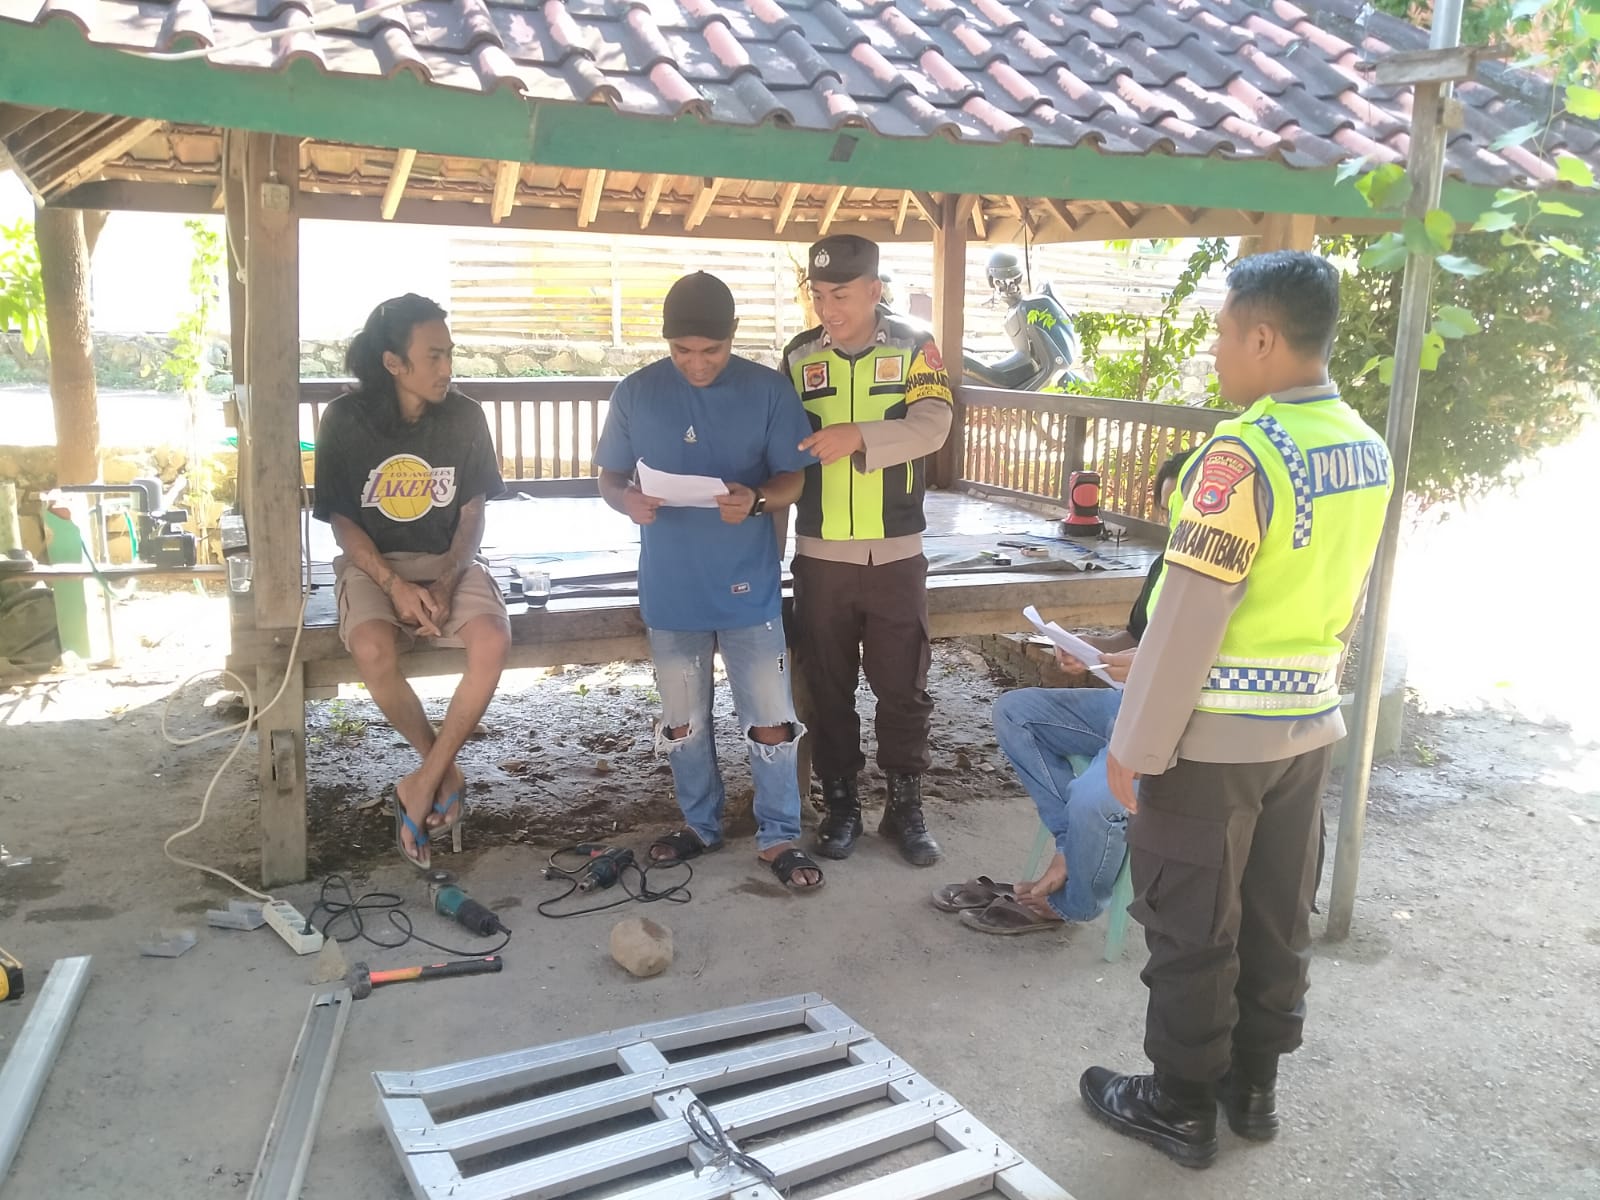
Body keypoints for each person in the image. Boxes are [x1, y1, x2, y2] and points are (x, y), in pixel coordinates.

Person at [1078, 251, 1393, 1168]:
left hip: (1212, 744)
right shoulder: (1364, 448)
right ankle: (1253, 1087)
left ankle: (1179, 1102)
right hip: (1307, 730)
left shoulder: (1242, 454)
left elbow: (1189, 613)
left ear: (1262, 338)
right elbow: (1343, 593)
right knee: (1274, 914)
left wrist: (1134, 742)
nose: (1214, 350)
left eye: (1221, 333)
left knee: (1190, 924)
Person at [594, 272, 824, 891]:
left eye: (711, 351)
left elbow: (793, 478)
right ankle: (700, 824)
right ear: (666, 341)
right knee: (682, 721)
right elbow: (609, 476)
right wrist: (626, 500)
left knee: (771, 717)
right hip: (671, 586)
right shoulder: (636, 392)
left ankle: (779, 835)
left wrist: (757, 500)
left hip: (747, 583)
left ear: (733, 336)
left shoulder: (768, 390)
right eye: (682, 351)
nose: (696, 363)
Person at [939, 452, 1192, 934]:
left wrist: (1142, 665)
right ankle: (1071, 850)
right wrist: (1089, 648)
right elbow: (1134, 639)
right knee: (1016, 712)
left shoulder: (1219, 580)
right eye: (1169, 508)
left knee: (1093, 800)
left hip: (1168, 728)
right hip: (1123, 704)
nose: (1177, 518)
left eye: (1186, 505)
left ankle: (1071, 904)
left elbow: (1192, 661)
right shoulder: (1167, 564)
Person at [312, 294, 511, 871]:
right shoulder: (345, 420)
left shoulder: (465, 417)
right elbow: (343, 522)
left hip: (449, 560)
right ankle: (440, 772)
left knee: (493, 641)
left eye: (449, 354)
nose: (447, 368)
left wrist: (447, 581)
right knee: (372, 647)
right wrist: (393, 585)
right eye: (434, 357)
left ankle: (420, 784)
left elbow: (472, 516)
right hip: (374, 563)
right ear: (393, 363)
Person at [782, 234, 953, 867]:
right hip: (822, 553)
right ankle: (841, 804)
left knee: (903, 688)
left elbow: (934, 425)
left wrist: (859, 436)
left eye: (842, 295)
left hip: (896, 554)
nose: (829, 309)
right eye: (819, 295)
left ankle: (905, 808)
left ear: (875, 290)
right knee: (828, 688)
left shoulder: (915, 346)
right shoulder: (799, 355)